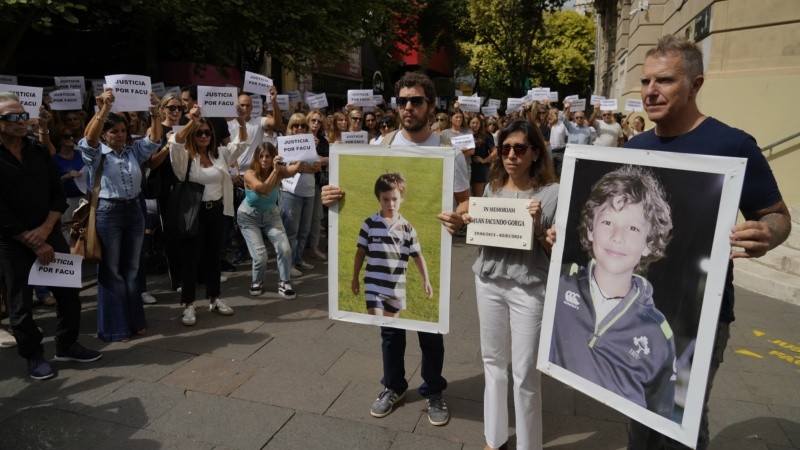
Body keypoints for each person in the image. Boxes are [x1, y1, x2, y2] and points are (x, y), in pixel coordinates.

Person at [544, 35, 791, 450]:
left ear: (695, 84)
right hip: (631, 308)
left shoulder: (733, 145)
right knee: (638, 413)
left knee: (682, 423)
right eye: (644, 81)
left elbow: (778, 215)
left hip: (701, 313)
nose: (650, 92)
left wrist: (768, 232)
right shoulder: (636, 147)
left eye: (665, 80)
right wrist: (563, 233)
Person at [323, 71, 471, 427]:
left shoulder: (449, 153)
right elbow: (353, 194)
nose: (408, 107)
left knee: (431, 331)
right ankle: (393, 385)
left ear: (431, 107)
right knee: (389, 329)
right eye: (402, 100)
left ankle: (433, 389)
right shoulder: (381, 146)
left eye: (416, 101)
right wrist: (332, 197)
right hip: (381, 258)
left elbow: (465, 202)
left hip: (422, 249)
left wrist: (459, 218)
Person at [459, 119, 559, 450]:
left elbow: (554, 250)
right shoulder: (492, 189)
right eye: (505, 149)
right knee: (492, 363)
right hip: (488, 282)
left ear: (535, 153)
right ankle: (495, 438)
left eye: (519, 148)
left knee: (526, 373)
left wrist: (537, 227)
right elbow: (483, 240)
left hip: (528, 288)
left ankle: (529, 446)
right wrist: (470, 220)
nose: (511, 155)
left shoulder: (551, 194)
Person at [550, 164, 677, 418]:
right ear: (590, 228)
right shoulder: (560, 281)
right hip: (558, 410)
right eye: (608, 221)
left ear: (649, 243)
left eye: (633, 228)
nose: (617, 236)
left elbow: (660, 410)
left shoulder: (657, 332)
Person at [0, 92, 102, 379]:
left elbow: (57, 194)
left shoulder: (38, 149)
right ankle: (33, 356)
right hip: (12, 242)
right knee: (21, 304)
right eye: (12, 117)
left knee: (69, 294)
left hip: (49, 232)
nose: (21, 121)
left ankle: (67, 344)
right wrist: (28, 238)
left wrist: (45, 231)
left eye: (23, 115)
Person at [80, 89, 162, 342]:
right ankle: (115, 327)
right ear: (105, 133)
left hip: (134, 211)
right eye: (114, 132)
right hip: (109, 212)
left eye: (123, 131)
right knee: (112, 270)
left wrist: (155, 112)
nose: (119, 136)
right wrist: (104, 109)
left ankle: (136, 320)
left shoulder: (133, 152)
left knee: (133, 269)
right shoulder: (96, 155)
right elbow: (88, 138)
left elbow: (155, 140)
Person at [169, 104, 248, 327]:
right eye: (199, 132)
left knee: (214, 257)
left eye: (207, 132)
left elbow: (240, 144)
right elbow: (175, 142)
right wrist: (192, 121)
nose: (203, 136)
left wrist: (241, 123)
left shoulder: (220, 154)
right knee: (191, 259)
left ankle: (214, 298)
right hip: (193, 213)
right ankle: (188, 305)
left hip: (217, 212)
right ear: (193, 135)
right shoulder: (185, 157)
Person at [352, 173, 433, 318]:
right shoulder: (369, 224)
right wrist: (355, 277)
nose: (391, 204)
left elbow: (418, 257)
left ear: (402, 198)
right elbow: (360, 253)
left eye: (395, 199)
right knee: (375, 321)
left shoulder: (408, 229)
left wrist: (426, 280)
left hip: (396, 287)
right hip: (373, 284)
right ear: (379, 199)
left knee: (390, 330)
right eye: (385, 199)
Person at [238, 142, 299, 299]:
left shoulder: (278, 171)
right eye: (261, 156)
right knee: (260, 255)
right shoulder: (249, 174)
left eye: (268, 156)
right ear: (257, 158)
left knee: (285, 249)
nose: (264, 159)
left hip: (271, 215)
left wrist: (304, 153)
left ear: (273, 157)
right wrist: (276, 170)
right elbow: (264, 190)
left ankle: (284, 282)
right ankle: (257, 281)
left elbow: (296, 168)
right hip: (249, 217)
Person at [279, 113, 322, 277]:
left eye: (303, 125)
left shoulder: (312, 143)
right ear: (290, 127)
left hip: (309, 191)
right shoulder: (285, 144)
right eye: (296, 125)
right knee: (291, 230)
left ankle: (297, 259)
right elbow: (285, 170)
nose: (299, 128)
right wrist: (302, 167)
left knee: (304, 230)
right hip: (290, 193)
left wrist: (302, 167)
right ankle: (287, 265)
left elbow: (317, 166)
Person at [306, 109, 329, 261]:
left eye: (319, 121)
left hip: (315, 184)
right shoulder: (300, 136)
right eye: (313, 120)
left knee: (315, 218)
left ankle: (314, 247)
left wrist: (319, 159)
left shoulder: (323, 140)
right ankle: (297, 254)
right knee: (301, 221)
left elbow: (329, 159)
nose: (316, 123)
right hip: (297, 185)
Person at [468, 115, 497, 198]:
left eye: (477, 123)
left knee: (477, 197)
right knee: (468, 196)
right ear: (469, 124)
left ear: (480, 124)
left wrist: (485, 160)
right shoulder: (465, 134)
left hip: (479, 169)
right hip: (466, 167)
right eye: (473, 123)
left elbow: (495, 151)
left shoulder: (485, 135)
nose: (475, 125)